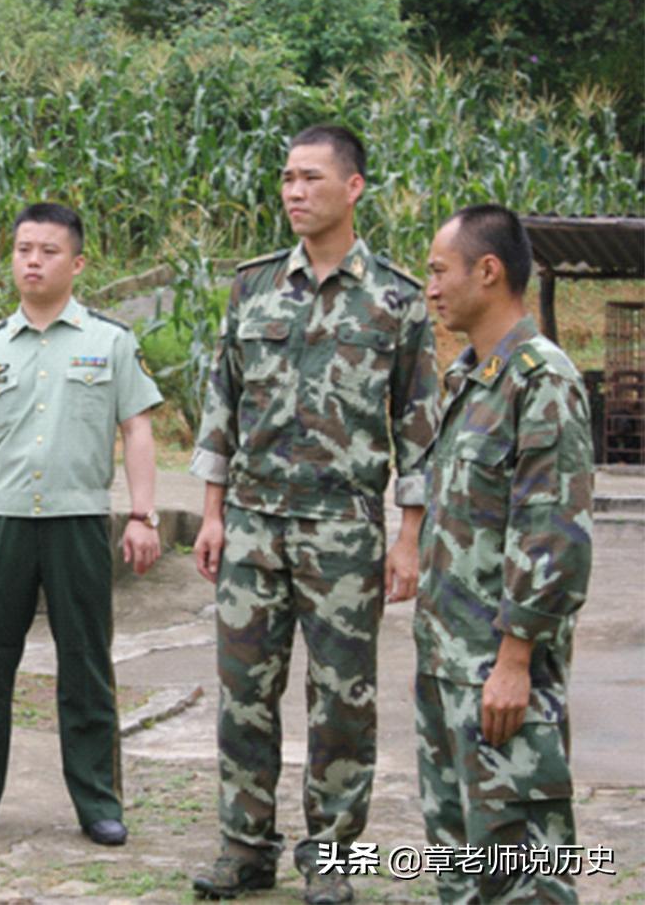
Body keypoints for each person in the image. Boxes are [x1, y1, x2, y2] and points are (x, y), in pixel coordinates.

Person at [189, 125, 439, 904]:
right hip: (255, 524)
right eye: (287, 178)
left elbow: (419, 430)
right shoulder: (253, 286)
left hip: (343, 531)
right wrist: (211, 513)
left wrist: (408, 539)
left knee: (342, 701)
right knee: (244, 695)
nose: (295, 192)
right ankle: (244, 846)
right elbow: (222, 404)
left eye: (312, 178)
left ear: (354, 187)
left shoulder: (398, 300)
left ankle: (332, 855)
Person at [0, 202, 163, 847]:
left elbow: (137, 428)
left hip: (78, 522)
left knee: (86, 663)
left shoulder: (110, 342)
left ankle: (98, 802)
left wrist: (142, 515)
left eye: (48, 251)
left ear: (77, 263)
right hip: (3, 521)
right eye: (23, 249)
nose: (32, 261)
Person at [416, 205, 592, 903]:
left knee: (521, 874)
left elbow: (555, 534)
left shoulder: (539, 380)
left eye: (438, 270)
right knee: (460, 869)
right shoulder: (470, 377)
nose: (430, 287)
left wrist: (516, 661)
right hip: (447, 666)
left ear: (487, 272)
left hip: (499, 675)